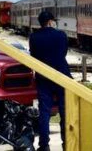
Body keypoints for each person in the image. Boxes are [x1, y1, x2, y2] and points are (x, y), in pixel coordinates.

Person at [29, 10, 72, 151]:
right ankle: (66, 142)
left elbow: (33, 55)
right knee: (65, 111)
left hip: (43, 77)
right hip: (62, 76)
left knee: (44, 112)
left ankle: (44, 144)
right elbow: (63, 53)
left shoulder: (34, 37)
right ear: (50, 22)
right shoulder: (61, 35)